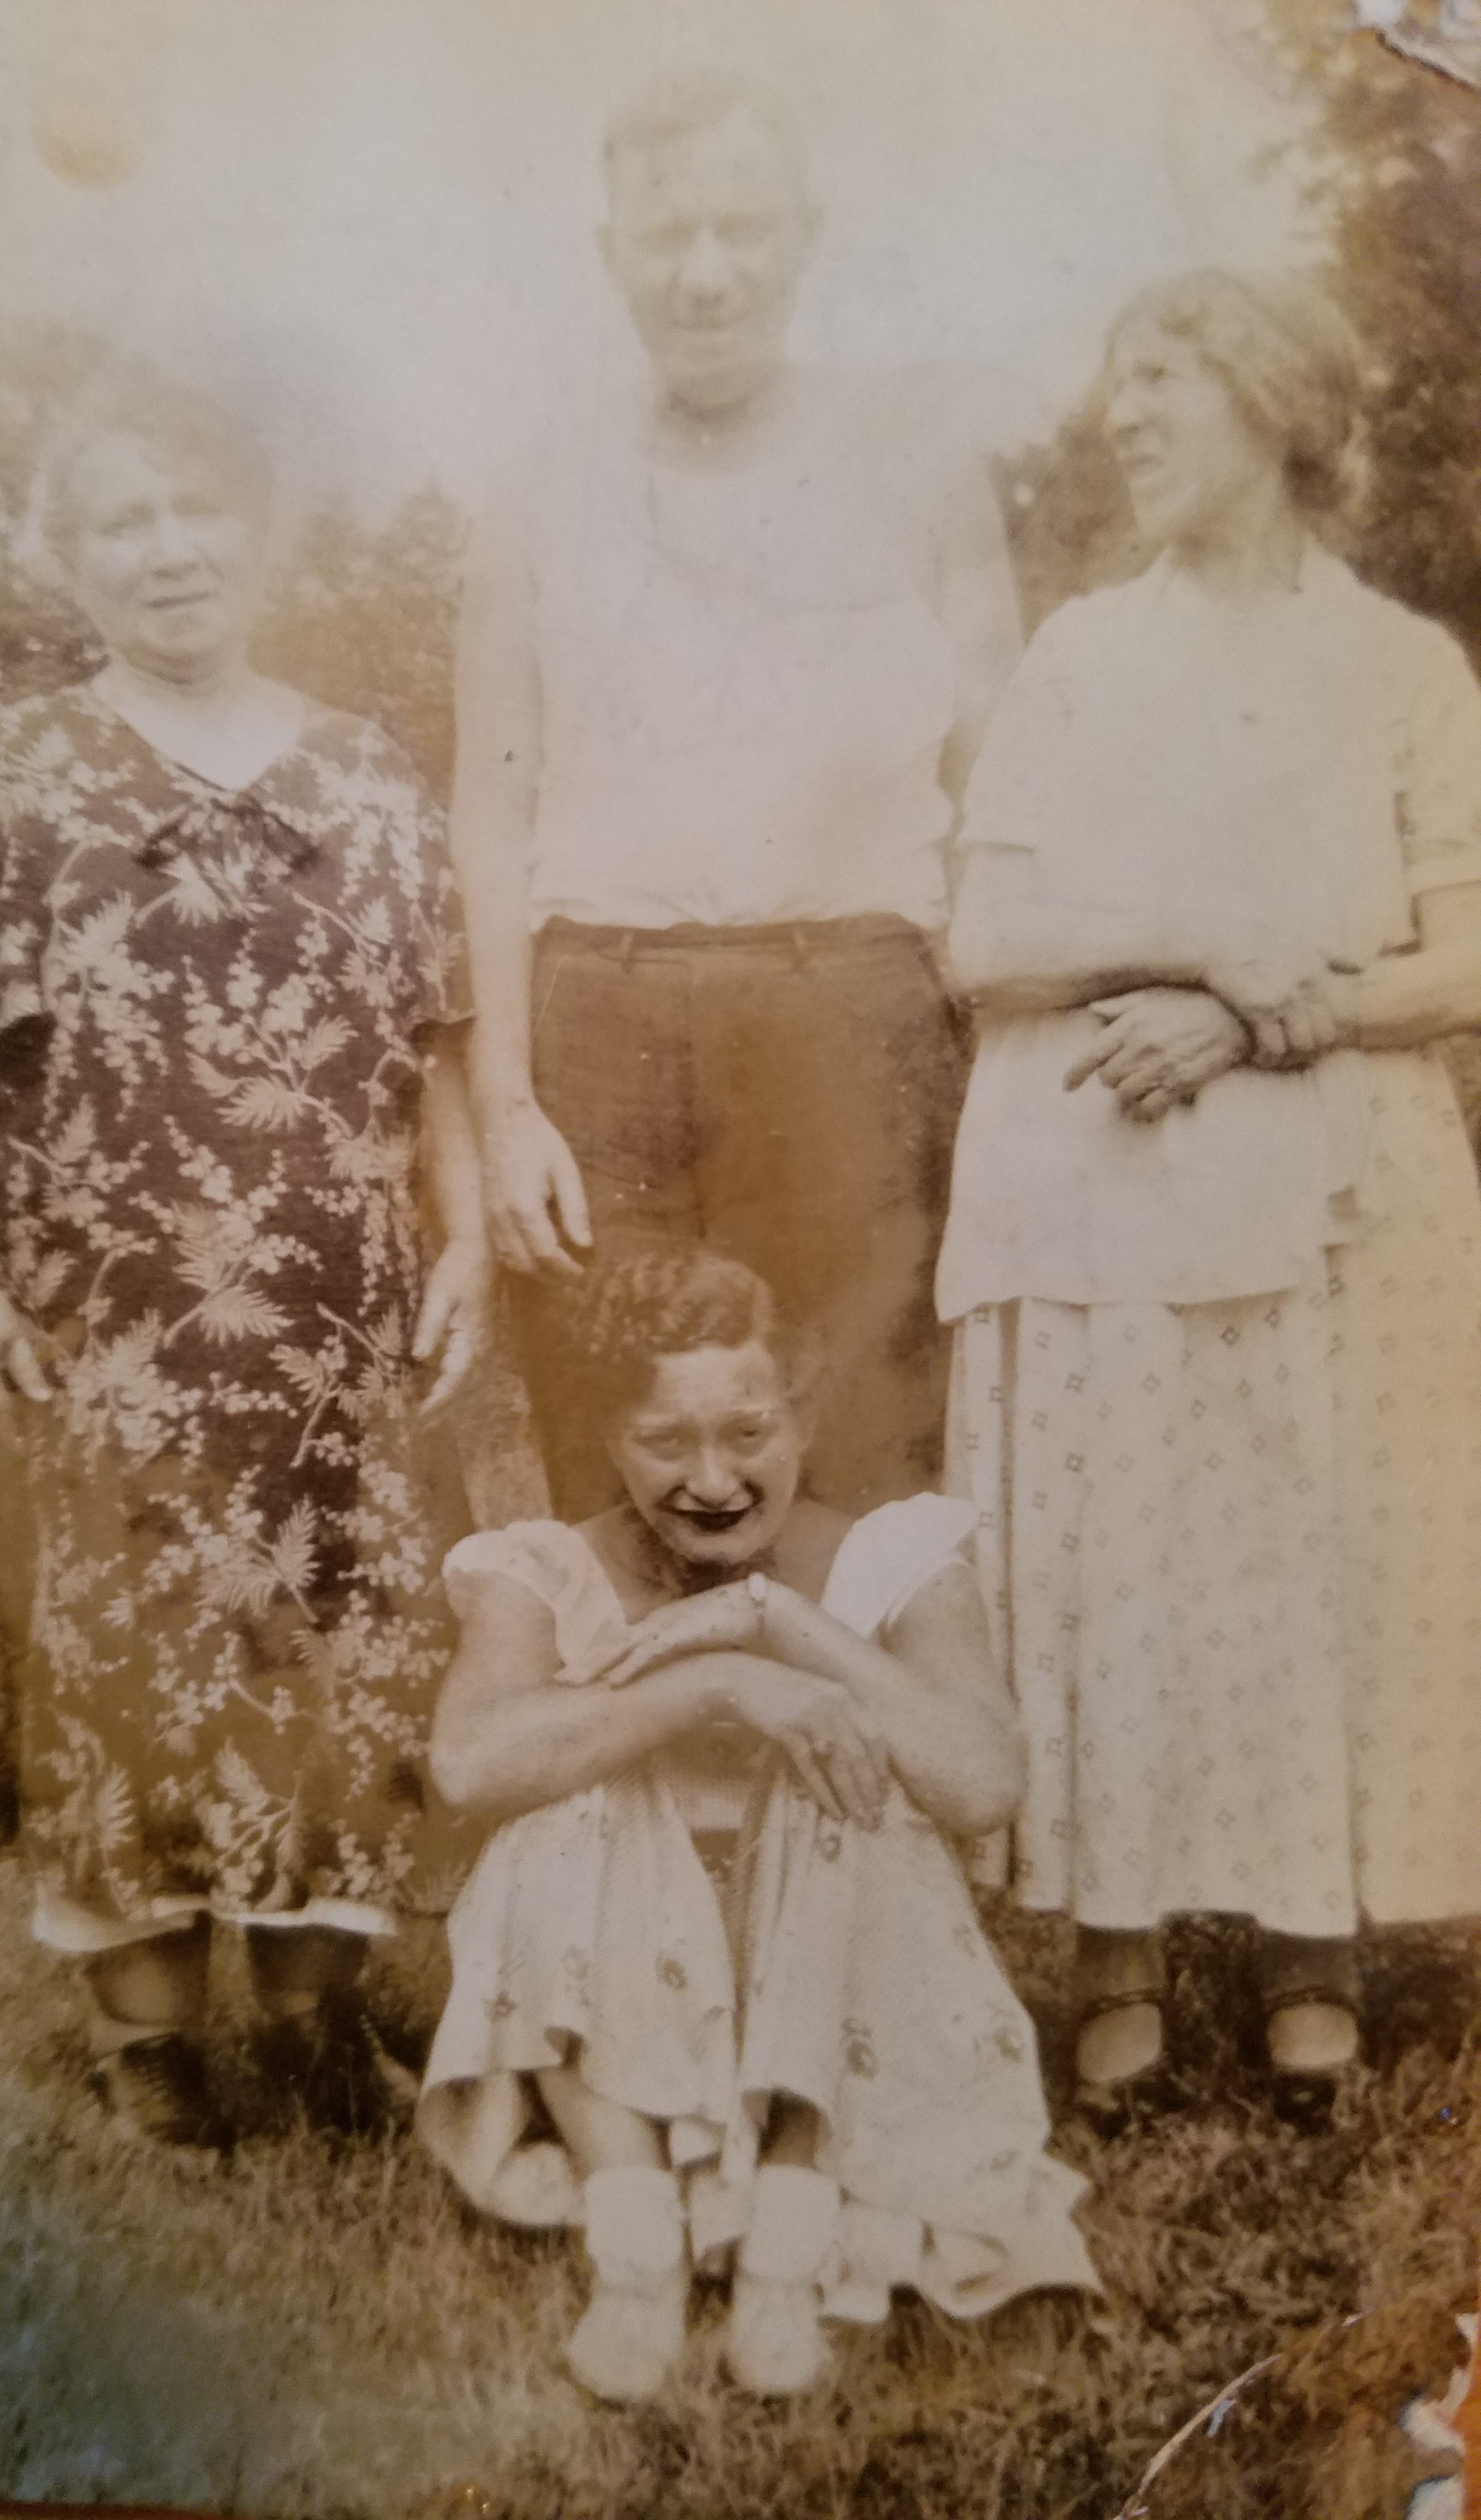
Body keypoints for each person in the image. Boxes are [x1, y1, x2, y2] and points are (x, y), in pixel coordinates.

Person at [0, 369, 490, 2144]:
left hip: (330, 1343)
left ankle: (312, 2022)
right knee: (127, 1665)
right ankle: (147, 2041)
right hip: (109, 1344)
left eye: (197, 509)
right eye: (120, 519)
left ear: (263, 535)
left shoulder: (364, 768)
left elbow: (440, 1031)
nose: (168, 548)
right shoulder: (15, 772)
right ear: (68, 559)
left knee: (327, 1664)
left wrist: (470, 1233)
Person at [936, 269, 1481, 2127]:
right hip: (1109, 1171)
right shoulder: (1083, 656)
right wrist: (1201, 948)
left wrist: (1261, 1020)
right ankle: (1114, 1952)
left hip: (1330, 1166)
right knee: (1119, 1556)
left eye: (1162, 382)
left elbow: (1468, 957)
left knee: (1303, 1548)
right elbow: (992, 940)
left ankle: (1313, 1952)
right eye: (1120, 390)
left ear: (1275, 401)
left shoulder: (1404, 669)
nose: (1128, 423)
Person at [451, 68, 1025, 1519]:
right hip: (603, 1027)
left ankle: (853, 1749)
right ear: (613, 256)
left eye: (741, 226)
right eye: (667, 234)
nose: (706, 273)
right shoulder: (532, 490)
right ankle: (652, 1751)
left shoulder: (919, 469)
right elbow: (493, 813)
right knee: (620, 1461)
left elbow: (1005, 783)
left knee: (863, 1458)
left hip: (852, 1012)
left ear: (806, 236)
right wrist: (509, 1103)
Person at [418, 1242, 1097, 2406]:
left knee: (846, 1770)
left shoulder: (895, 1557)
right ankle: (634, 2249)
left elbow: (982, 1783)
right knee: (565, 1795)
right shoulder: (548, 1568)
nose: (714, 1480)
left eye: (748, 1432)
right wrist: (710, 1688)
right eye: (663, 1441)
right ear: (609, 1435)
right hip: (617, 2001)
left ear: (802, 1409)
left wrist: (775, 1624)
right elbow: (472, 1765)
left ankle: (789, 2234)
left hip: (834, 1994)